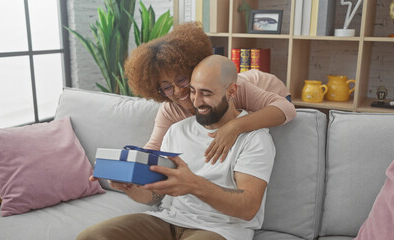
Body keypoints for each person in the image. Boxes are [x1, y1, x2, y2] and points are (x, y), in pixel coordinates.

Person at [77, 55, 276, 240]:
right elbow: (158, 197)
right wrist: (132, 189)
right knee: (92, 236)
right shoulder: (176, 131)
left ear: (231, 91)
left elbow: (248, 207)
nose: (196, 101)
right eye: (193, 90)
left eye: (206, 94)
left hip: (220, 229)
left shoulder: (254, 139)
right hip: (168, 220)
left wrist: (194, 185)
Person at [124, 22, 295, 163]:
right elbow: (154, 147)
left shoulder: (233, 89)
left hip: (269, 87)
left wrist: (235, 126)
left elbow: (286, 108)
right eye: (167, 87)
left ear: (194, 69)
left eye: (182, 79)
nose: (177, 91)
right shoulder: (171, 109)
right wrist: (128, 168)